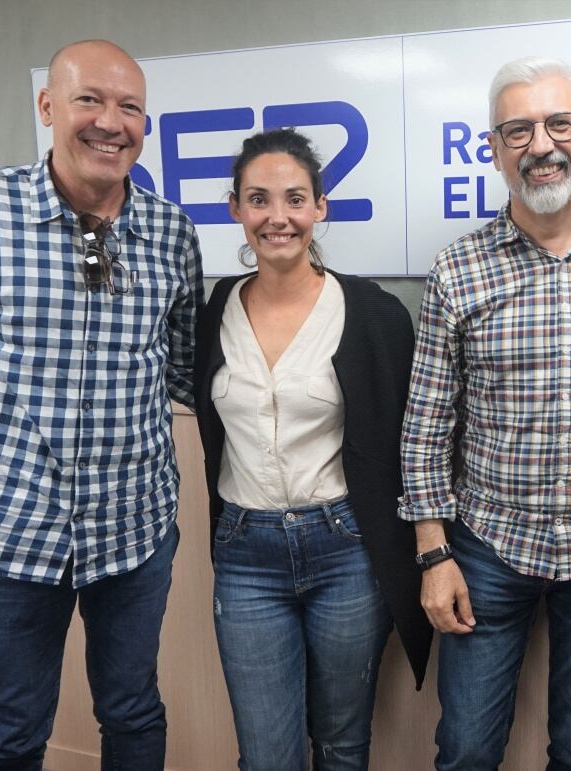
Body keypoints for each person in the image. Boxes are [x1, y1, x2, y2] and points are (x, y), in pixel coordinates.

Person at [0, 40, 203, 770]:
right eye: (90, 98)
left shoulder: (171, 234)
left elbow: (187, 370)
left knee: (133, 711)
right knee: (11, 728)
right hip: (7, 532)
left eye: (129, 107)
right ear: (48, 106)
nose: (109, 121)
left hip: (134, 530)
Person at [399, 57, 571, 770]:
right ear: (493, 149)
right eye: (518, 129)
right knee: (464, 749)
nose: (542, 144)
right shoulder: (457, 270)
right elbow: (427, 423)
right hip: (489, 548)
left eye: (559, 123)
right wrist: (434, 555)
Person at [193, 127, 431, 771]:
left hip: (346, 550)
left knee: (342, 743)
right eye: (259, 200)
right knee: (267, 755)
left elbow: (412, 439)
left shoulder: (374, 313)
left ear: (320, 208)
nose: (278, 217)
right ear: (235, 209)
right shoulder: (212, 312)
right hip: (245, 553)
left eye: (295, 199)